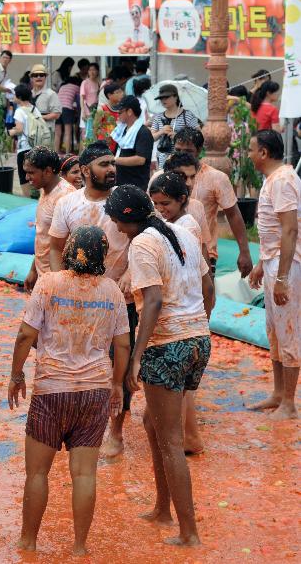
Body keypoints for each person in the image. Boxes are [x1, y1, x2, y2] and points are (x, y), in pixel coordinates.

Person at [9, 225, 130, 555]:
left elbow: (24, 335)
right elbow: (122, 345)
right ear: (103, 257)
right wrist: (117, 385)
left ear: (68, 253)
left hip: (51, 390)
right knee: (84, 475)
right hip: (94, 392)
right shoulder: (113, 292)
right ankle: (79, 547)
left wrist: (16, 374)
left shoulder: (49, 284)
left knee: (37, 472)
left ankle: (27, 541)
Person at [105, 184, 214, 547]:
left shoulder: (141, 244)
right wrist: (200, 324)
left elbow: (151, 302)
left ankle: (189, 532)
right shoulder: (182, 231)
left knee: (170, 440)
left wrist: (136, 356)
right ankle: (162, 509)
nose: (116, 229)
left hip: (167, 345)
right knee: (153, 423)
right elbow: (208, 284)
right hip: (197, 340)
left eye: (116, 221)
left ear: (126, 218)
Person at [49, 142, 134, 457]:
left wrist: (130, 274)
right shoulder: (67, 204)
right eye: (103, 164)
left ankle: (116, 433)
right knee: (73, 361)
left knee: (117, 366)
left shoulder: (125, 200)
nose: (111, 169)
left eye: (113, 163)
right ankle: (73, 423)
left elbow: (144, 237)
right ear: (84, 170)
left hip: (119, 299)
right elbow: (56, 247)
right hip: (77, 300)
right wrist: (60, 284)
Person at [247, 130, 299, 420]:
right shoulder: (273, 179)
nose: (250, 154)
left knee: (289, 329)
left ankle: (289, 403)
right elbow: (273, 231)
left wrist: (282, 278)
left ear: (264, 153)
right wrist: (260, 264)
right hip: (274, 261)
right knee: (275, 330)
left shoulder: (282, 180)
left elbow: (290, 230)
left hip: (288, 266)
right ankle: (279, 394)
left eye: (252, 149)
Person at [173, 127, 253, 277]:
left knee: (207, 298)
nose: (182, 155)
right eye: (178, 150)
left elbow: (233, 214)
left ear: (199, 150)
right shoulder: (162, 177)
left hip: (205, 254)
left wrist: (245, 252)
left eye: (188, 151)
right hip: (170, 253)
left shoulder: (216, 178)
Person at [22, 147, 76, 292]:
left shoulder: (66, 197)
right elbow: (43, 236)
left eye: (31, 172)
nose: (27, 178)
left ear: (47, 171)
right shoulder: (44, 188)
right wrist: (33, 270)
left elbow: (68, 245)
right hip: (44, 275)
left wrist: (58, 282)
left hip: (58, 280)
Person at [150, 84, 200, 169]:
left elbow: (199, 135)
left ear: (176, 97)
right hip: (163, 159)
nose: (163, 100)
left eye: (166, 97)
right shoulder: (158, 117)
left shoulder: (187, 115)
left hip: (183, 158)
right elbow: (151, 137)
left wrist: (178, 136)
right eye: (161, 98)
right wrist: (161, 132)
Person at [111, 95, 154, 190]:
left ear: (129, 111)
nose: (118, 115)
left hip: (136, 185)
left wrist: (113, 160)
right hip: (120, 182)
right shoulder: (123, 130)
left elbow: (140, 159)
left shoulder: (143, 132)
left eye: (120, 112)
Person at [7, 84, 38, 190]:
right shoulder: (34, 109)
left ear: (19, 97)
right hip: (35, 146)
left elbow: (19, 130)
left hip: (24, 147)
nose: (13, 97)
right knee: (35, 174)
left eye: (14, 95)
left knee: (24, 177)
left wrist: (10, 132)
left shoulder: (20, 111)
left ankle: (26, 201)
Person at [29, 64, 62, 144]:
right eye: (35, 75)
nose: (38, 77)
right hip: (30, 133)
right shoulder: (28, 94)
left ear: (45, 77)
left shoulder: (51, 94)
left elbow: (57, 114)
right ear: (32, 78)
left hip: (46, 132)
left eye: (42, 75)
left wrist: (39, 118)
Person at [93, 83, 124, 152]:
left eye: (121, 91)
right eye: (118, 92)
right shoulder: (102, 109)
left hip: (120, 144)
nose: (122, 94)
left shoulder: (123, 109)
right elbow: (95, 128)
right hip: (105, 145)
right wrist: (106, 134)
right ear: (109, 95)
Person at [56, 76, 81, 154]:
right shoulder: (77, 87)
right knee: (68, 132)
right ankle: (67, 153)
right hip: (67, 109)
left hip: (57, 109)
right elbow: (78, 100)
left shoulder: (62, 87)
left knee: (58, 133)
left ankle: (56, 152)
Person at [79, 63, 101, 141]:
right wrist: (83, 112)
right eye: (90, 70)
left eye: (94, 70)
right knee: (84, 133)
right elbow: (82, 98)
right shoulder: (85, 82)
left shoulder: (98, 83)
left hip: (95, 111)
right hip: (86, 110)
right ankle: (83, 152)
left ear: (97, 71)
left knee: (93, 132)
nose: (92, 72)